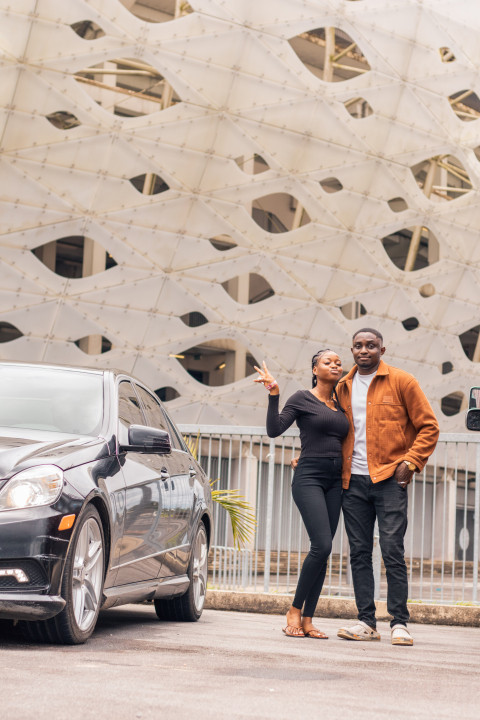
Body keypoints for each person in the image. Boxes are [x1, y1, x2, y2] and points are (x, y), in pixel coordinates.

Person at [334, 328, 440, 646]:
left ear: (383, 349)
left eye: (371, 345)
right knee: (360, 553)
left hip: (389, 480)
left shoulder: (402, 381)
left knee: (393, 550)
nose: (364, 350)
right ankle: (366, 622)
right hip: (352, 482)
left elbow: (429, 426)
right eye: (358, 346)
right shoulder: (343, 386)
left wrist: (411, 462)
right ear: (351, 350)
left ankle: (399, 623)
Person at [254, 351, 349, 639]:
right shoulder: (301, 398)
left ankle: (308, 619)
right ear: (314, 369)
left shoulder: (341, 404)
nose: (335, 365)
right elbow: (274, 430)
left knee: (324, 552)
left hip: (335, 481)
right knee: (321, 545)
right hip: (309, 477)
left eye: (338, 363)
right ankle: (294, 610)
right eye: (327, 362)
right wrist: (274, 393)